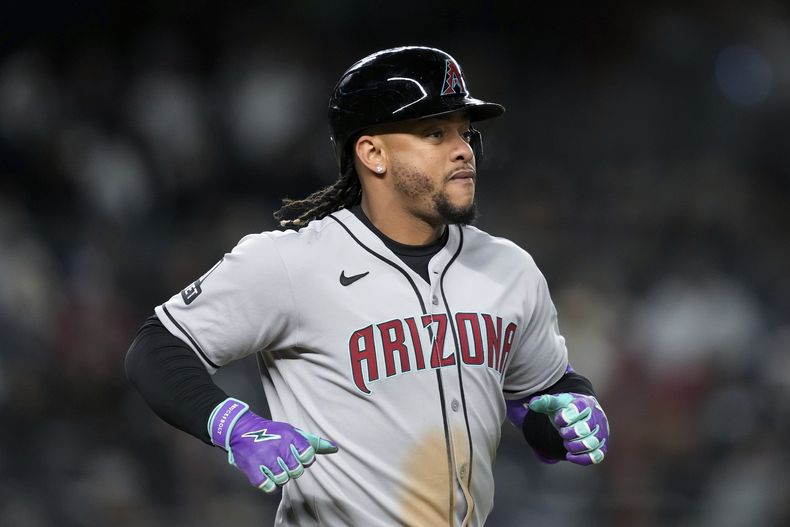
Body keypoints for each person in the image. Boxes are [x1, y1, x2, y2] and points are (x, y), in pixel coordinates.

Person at [125, 45, 610, 526]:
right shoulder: (292, 263)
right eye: (434, 133)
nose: (463, 149)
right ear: (373, 153)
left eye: (464, 131)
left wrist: (571, 411)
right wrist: (234, 426)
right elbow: (158, 348)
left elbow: (541, 395)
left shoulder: (509, 268)